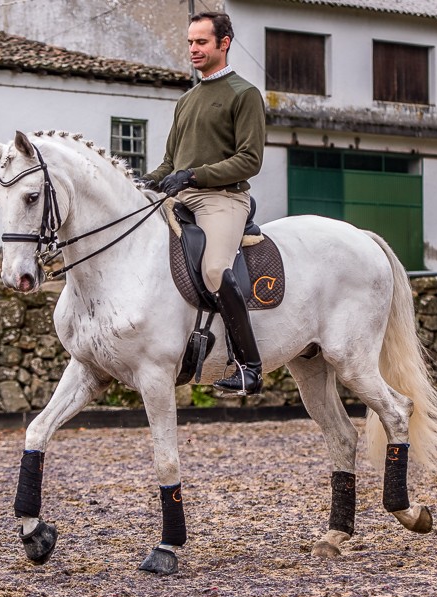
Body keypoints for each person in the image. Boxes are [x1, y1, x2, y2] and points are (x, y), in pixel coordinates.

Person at [141, 11, 266, 395]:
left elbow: (250, 160)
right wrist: (144, 182)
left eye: (202, 42)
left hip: (222, 198)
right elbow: (169, 163)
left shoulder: (244, 94)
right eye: (190, 42)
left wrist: (194, 175)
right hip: (181, 195)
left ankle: (249, 366)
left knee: (214, 269)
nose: (193, 49)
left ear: (223, 43)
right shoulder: (187, 100)